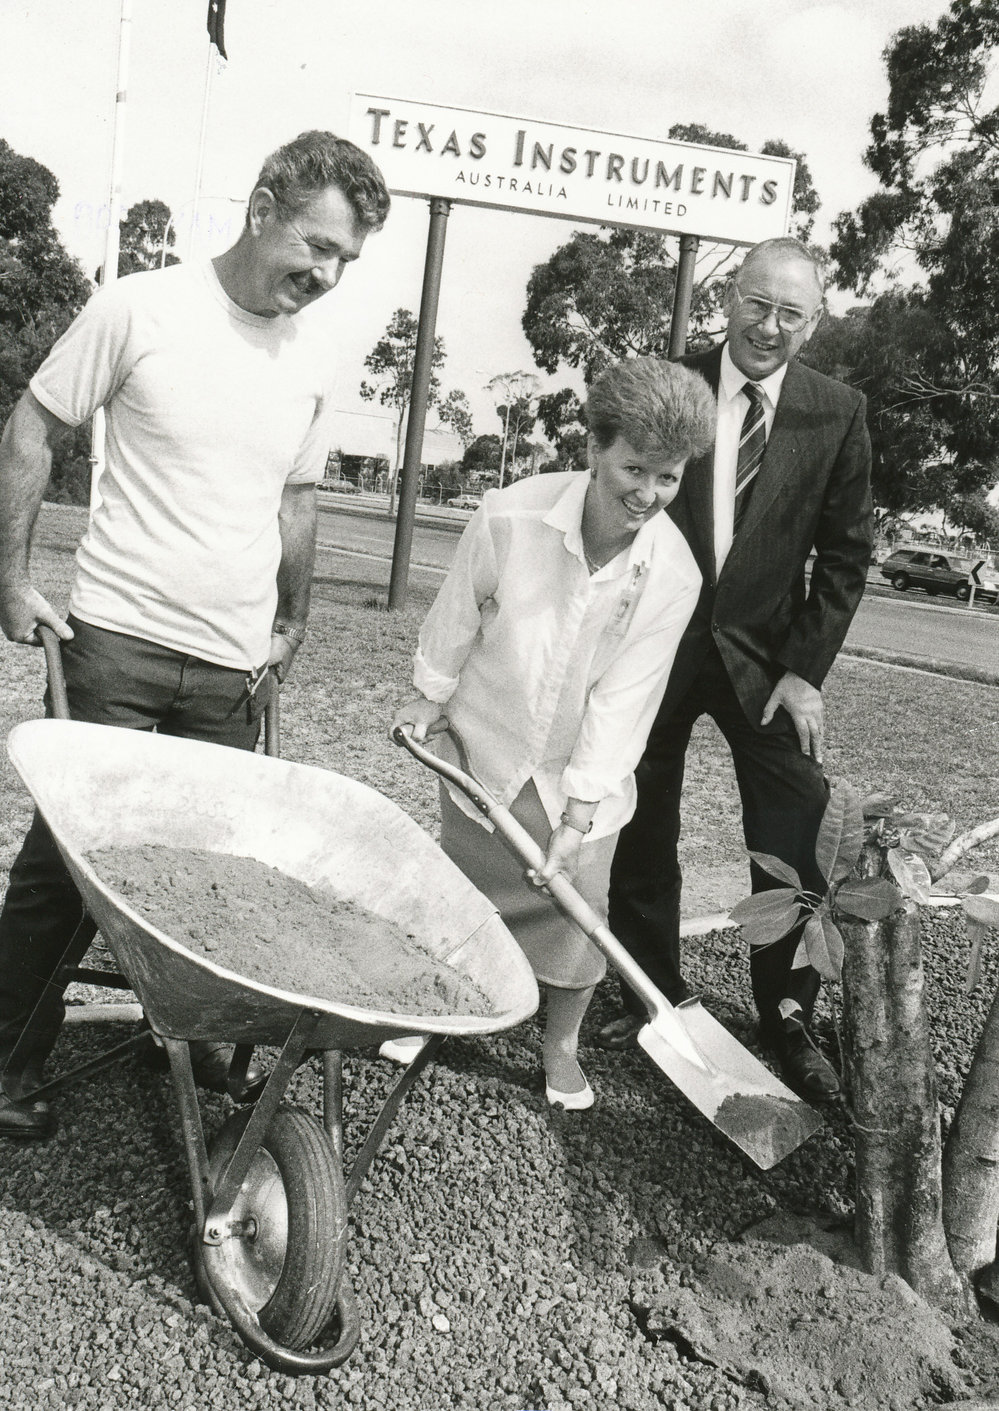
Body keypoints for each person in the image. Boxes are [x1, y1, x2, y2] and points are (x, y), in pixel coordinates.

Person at [0, 130, 390, 1139]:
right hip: (116, 645)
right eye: (316, 245)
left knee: (219, 875)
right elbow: (32, 429)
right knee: (72, 870)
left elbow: (298, 497)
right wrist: (9, 579)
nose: (326, 274)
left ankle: (206, 1038)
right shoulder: (142, 307)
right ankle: (9, 1066)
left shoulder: (314, 356)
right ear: (263, 207)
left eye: (345, 260)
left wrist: (294, 617)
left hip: (231, 666)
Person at [390, 357, 715, 1108]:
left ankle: (558, 1045)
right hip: (485, 739)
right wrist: (425, 695)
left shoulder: (674, 572)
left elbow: (624, 700)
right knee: (463, 889)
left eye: (667, 479)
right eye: (633, 467)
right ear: (596, 448)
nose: (647, 493)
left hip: (578, 766)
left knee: (577, 910)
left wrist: (578, 812)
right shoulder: (510, 513)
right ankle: (435, 1005)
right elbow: (458, 613)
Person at [598, 237, 874, 1102]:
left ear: (814, 321)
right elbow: (620, 498)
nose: (769, 326)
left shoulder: (837, 411)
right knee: (642, 823)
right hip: (656, 644)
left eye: (791, 312)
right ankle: (651, 994)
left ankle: (785, 1017)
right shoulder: (670, 385)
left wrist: (803, 672)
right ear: (729, 301)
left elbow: (844, 555)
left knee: (796, 820)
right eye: (756, 304)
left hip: (766, 660)